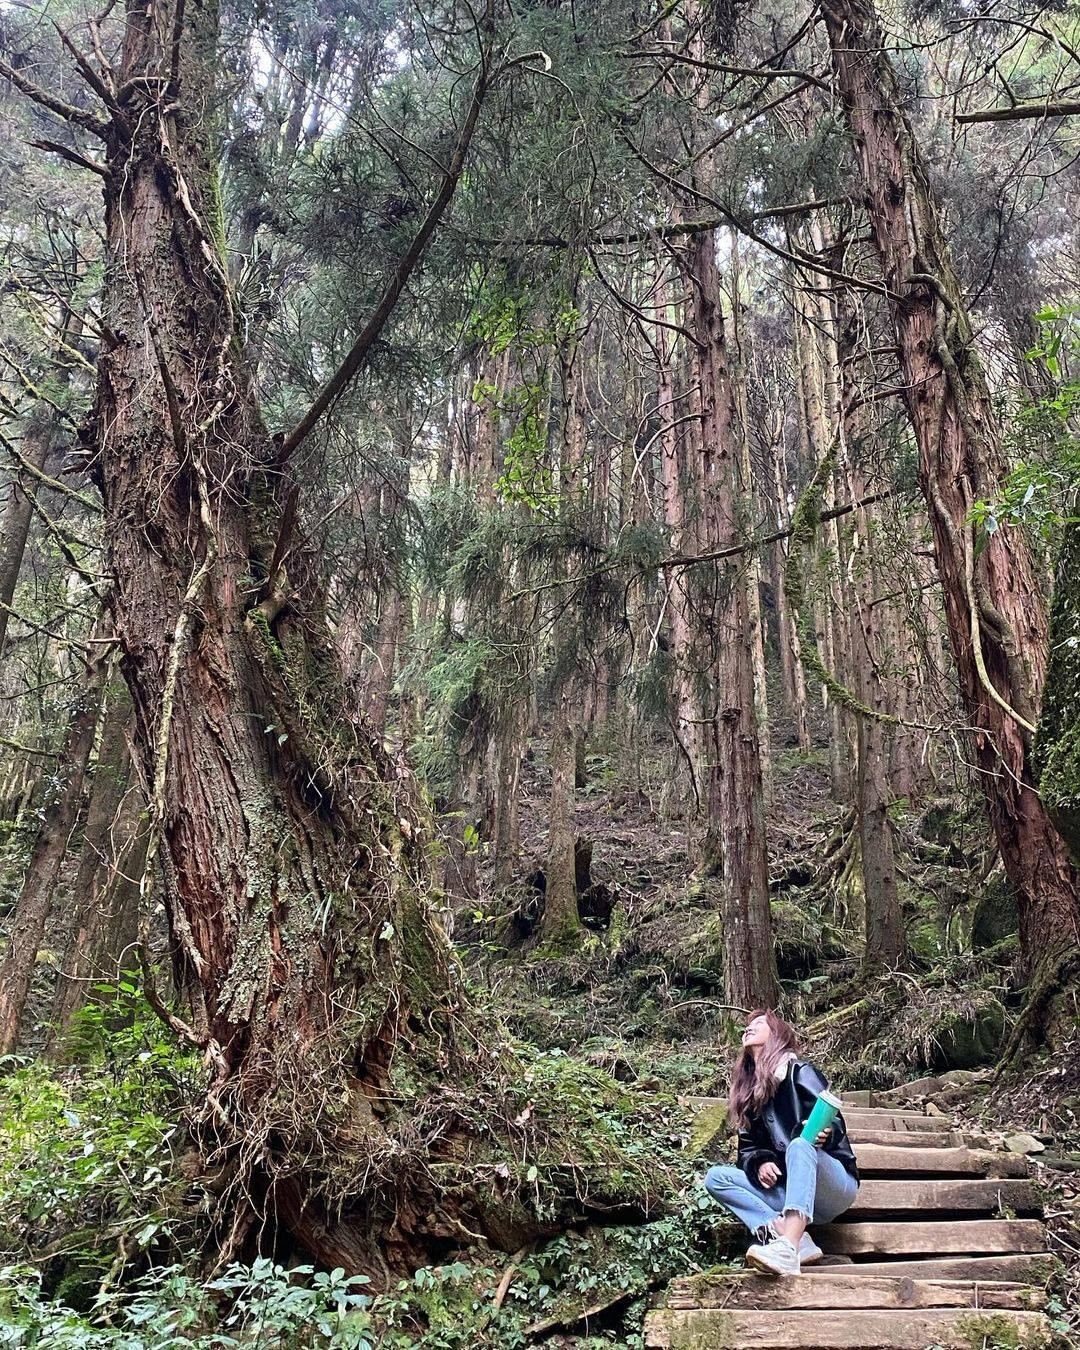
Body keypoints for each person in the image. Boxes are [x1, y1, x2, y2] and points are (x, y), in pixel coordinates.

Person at [703, 1009, 859, 1277]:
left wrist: (825, 1133)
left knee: (800, 1145)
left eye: (758, 1025)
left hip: (831, 1186)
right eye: (747, 1026)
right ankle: (791, 1236)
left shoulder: (800, 1072)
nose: (749, 1029)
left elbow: (832, 1119)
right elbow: (748, 1150)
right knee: (716, 1178)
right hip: (789, 1191)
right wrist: (761, 1161)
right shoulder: (750, 1092)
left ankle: (787, 1248)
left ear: (776, 1035)